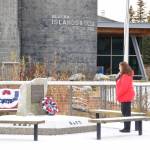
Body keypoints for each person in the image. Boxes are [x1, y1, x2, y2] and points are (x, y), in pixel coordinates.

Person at [116, 61, 135, 133]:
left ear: (123, 67)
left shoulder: (126, 76)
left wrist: (118, 95)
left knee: (126, 112)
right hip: (125, 96)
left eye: (120, 66)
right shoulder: (123, 75)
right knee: (125, 112)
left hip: (126, 96)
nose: (119, 68)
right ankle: (126, 127)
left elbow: (124, 88)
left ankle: (127, 128)